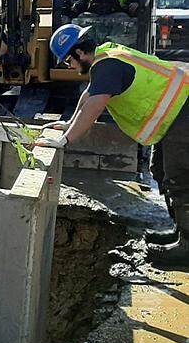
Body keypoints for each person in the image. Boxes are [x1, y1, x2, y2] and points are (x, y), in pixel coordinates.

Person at [36, 23, 189, 265]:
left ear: (79, 53)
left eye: (68, 61)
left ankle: (186, 248)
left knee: (179, 178)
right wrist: (67, 125)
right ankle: (180, 232)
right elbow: (88, 97)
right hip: (176, 114)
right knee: (160, 172)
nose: (70, 66)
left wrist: (65, 141)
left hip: (183, 113)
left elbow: (95, 107)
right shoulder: (106, 57)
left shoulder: (106, 67)